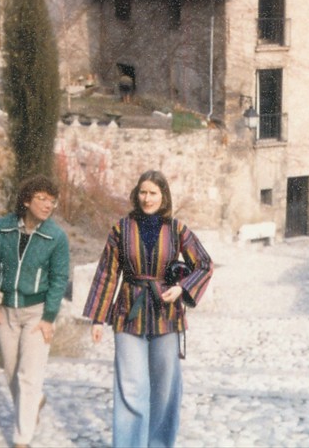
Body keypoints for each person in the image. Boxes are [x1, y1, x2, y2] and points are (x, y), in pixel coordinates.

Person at [83, 169, 213, 448]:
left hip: (166, 313)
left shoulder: (177, 229)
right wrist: (97, 318)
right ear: (136, 193)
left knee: (166, 386)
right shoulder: (121, 229)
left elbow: (204, 263)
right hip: (128, 312)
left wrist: (182, 288)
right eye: (143, 192)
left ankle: (158, 443)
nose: (147, 198)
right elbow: (107, 273)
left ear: (163, 195)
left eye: (153, 193)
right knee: (131, 385)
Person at [0, 175, 69, 448]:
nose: (47, 205)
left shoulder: (56, 237)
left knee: (29, 376)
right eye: (42, 199)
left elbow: (58, 279)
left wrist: (49, 318)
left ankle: (22, 439)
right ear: (27, 200)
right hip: (6, 310)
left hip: (36, 312)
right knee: (10, 372)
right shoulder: (1, 228)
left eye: (52, 202)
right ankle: (35, 403)